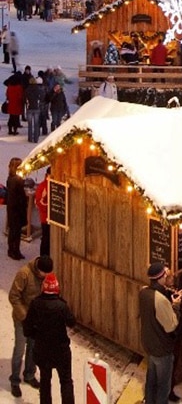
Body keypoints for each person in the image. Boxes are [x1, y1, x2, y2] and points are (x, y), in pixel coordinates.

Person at [22, 273, 72, 404]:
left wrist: (36, 335)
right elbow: (72, 322)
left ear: (43, 288)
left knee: (45, 382)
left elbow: (26, 328)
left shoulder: (35, 304)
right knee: (66, 381)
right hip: (61, 351)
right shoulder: (61, 306)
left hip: (42, 351)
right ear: (57, 289)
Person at [139, 261, 181, 404]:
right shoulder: (160, 299)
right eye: (166, 274)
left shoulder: (143, 292)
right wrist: (175, 306)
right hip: (161, 348)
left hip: (148, 343)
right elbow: (171, 326)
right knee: (163, 385)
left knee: (151, 379)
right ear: (161, 277)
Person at [9, 254, 48, 396]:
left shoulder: (45, 275)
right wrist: (24, 316)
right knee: (19, 350)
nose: (46, 276)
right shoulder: (24, 274)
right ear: (38, 269)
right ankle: (14, 380)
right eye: (44, 273)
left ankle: (29, 374)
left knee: (33, 348)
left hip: (35, 320)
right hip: (22, 319)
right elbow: (13, 296)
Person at [6, 159, 27, 261]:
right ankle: (14, 251)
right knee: (15, 231)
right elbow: (20, 196)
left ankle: (13, 250)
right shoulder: (17, 180)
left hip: (11, 208)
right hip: (16, 209)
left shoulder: (10, 178)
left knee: (13, 231)